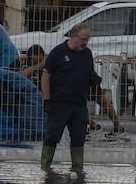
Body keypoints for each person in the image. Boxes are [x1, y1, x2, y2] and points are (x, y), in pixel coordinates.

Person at [40, 23, 101, 174]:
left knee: (79, 137)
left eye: (88, 39)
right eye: (83, 39)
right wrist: (47, 99)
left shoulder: (87, 54)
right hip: (59, 103)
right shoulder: (58, 53)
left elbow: (89, 73)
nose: (86, 42)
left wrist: (94, 80)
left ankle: (77, 168)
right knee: (53, 135)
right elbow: (46, 76)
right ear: (73, 36)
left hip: (79, 104)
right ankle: (45, 167)